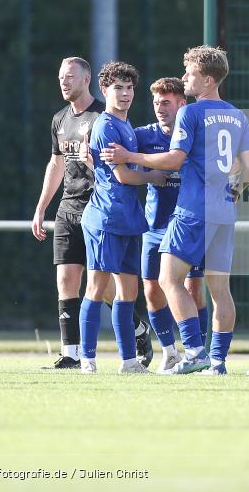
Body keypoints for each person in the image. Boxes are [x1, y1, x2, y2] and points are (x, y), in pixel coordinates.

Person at [101, 46, 249, 376]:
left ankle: (195, 351)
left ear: (208, 79)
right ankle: (218, 362)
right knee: (220, 290)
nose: (184, 77)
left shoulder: (191, 112)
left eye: (190, 72)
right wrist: (237, 190)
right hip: (224, 213)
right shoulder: (237, 115)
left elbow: (174, 160)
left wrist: (133, 156)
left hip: (193, 211)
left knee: (168, 279)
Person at [31, 57, 153, 369]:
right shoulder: (60, 119)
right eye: (61, 77)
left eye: (70, 76)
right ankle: (73, 354)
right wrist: (41, 206)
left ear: (87, 80)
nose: (63, 81)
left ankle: (134, 332)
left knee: (104, 284)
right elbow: (57, 164)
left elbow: (117, 171)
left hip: (99, 207)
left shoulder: (103, 117)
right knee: (68, 279)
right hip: (69, 209)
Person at [78, 61, 166, 374]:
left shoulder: (126, 126)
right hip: (106, 218)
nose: (125, 93)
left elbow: (115, 168)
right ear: (104, 90)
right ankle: (87, 359)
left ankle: (128, 361)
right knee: (97, 288)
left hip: (128, 218)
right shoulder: (106, 125)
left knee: (128, 293)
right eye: (118, 87)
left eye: (129, 87)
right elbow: (124, 177)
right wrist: (154, 175)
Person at [135, 77, 207, 373]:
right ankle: (170, 351)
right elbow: (108, 155)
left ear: (182, 103)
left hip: (189, 223)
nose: (160, 109)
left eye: (166, 102)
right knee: (152, 290)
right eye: (156, 103)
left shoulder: (195, 133)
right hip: (155, 225)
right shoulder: (142, 135)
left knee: (193, 290)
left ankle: (199, 351)